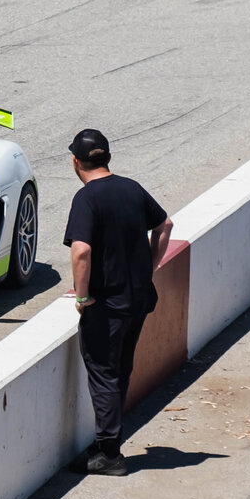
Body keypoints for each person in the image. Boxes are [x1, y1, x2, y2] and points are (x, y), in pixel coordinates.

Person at [63, 128, 172, 475]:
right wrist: (149, 267)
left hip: (106, 305)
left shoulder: (87, 198)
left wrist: (82, 296)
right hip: (137, 300)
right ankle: (105, 443)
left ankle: (109, 454)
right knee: (120, 370)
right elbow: (165, 225)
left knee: (104, 374)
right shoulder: (132, 188)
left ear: (76, 161)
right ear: (107, 157)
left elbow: (81, 251)